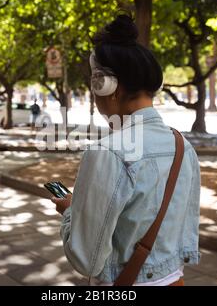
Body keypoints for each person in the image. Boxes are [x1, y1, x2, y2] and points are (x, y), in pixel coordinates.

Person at [50, 14, 201, 286]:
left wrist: (70, 211)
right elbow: (186, 236)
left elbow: (86, 260)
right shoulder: (183, 145)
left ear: (107, 87)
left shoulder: (106, 152)